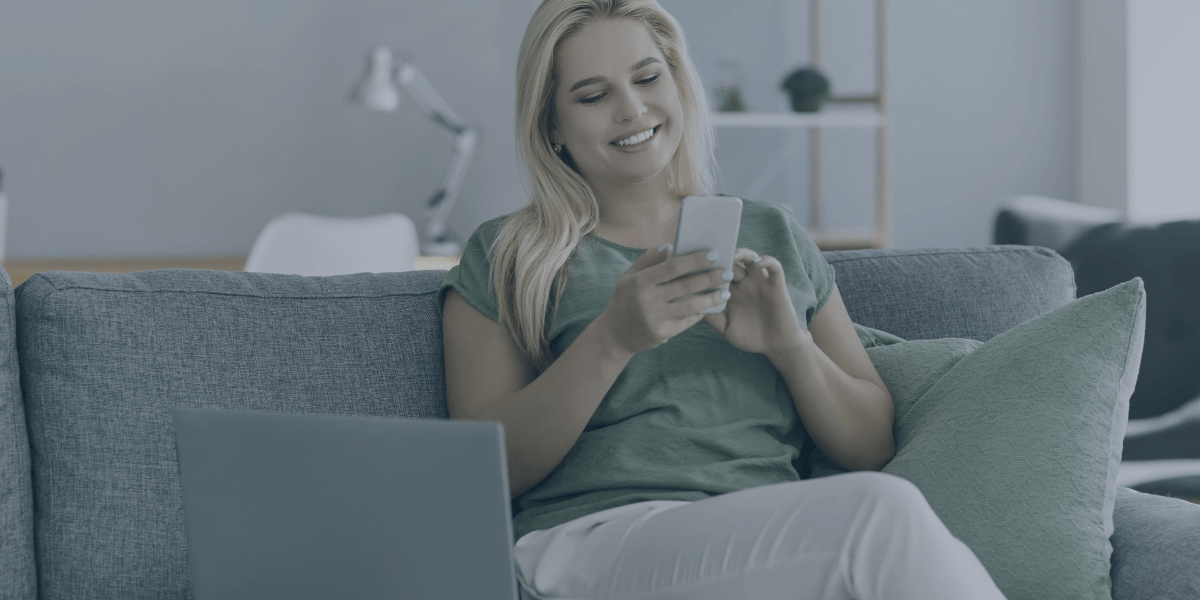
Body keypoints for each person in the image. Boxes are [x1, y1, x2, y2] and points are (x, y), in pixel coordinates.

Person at [438, 1, 1007, 598]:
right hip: (597, 540)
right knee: (881, 516)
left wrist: (791, 347)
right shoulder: (511, 252)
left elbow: (873, 446)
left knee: (875, 518)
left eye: (647, 77)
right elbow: (482, 471)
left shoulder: (773, 235)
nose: (631, 109)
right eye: (591, 95)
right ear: (551, 124)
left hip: (779, 544)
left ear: (678, 82)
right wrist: (612, 339)